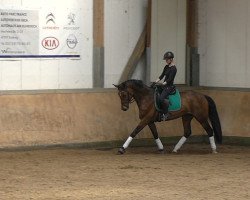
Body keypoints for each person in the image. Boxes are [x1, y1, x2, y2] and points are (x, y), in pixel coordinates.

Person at [151, 51, 177, 121]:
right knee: (155, 93)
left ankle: (166, 113)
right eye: (165, 59)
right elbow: (162, 76)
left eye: (167, 59)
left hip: (169, 87)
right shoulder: (166, 67)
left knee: (161, 98)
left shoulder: (174, 68)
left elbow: (170, 79)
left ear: (171, 59)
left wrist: (163, 84)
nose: (166, 60)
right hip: (164, 85)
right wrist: (155, 82)